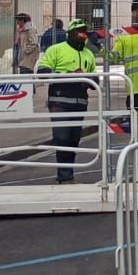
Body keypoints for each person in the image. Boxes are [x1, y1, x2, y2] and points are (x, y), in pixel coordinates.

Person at [37, 18, 98, 183]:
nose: (82, 34)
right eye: (78, 30)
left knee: (73, 139)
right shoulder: (56, 49)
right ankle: (64, 177)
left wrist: (85, 76)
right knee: (62, 137)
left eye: (84, 31)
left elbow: (96, 81)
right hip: (59, 101)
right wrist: (68, 75)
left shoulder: (89, 54)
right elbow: (43, 71)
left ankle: (68, 175)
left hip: (80, 102)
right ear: (70, 33)